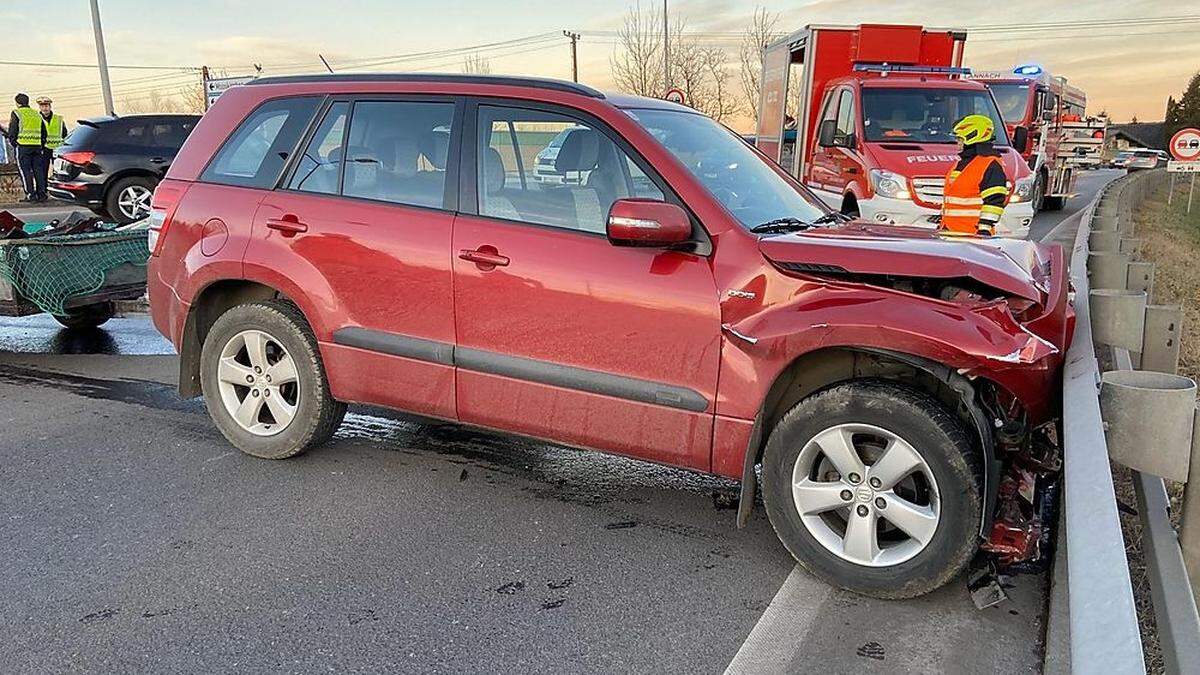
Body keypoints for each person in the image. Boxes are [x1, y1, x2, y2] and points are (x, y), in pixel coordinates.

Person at [940, 114, 1009, 237]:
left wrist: (984, 229)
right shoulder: (963, 162)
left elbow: (994, 202)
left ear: (971, 137)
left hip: (972, 234)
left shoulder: (990, 164)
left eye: (960, 139)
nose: (957, 142)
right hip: (951, 231)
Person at [6, 93, 66, 202]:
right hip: (37, 147)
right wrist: (41, 145)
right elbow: (44, 132)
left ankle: (31, 195)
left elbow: (13, 130)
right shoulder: (36, 114)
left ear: (17, 103)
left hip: (23, 146)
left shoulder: (17, 113)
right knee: (38, 171)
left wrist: (14, 142)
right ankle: (42, 194)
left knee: (25, 171)